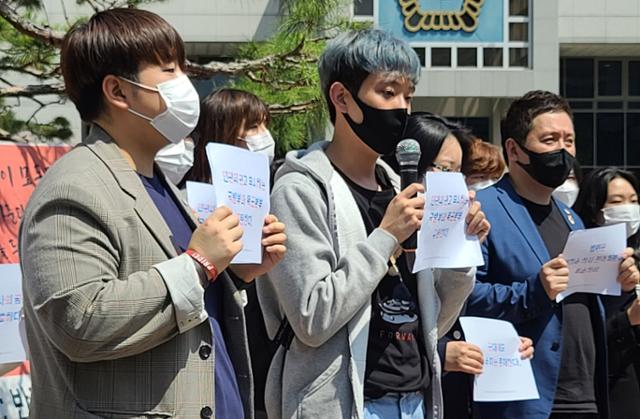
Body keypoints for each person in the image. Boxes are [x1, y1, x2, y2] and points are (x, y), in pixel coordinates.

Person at [18, 9, 286, 418]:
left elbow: (186, 293)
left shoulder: (160, 183)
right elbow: (80, 319)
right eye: (168, 69)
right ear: (118, 91)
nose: (185, 83)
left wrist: (234, 271)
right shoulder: (75, 186)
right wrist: (199, 264)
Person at [257, 28, 489, 419]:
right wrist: (386, 237)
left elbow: (435, 322)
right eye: (387, 92)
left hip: (414, 400)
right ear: (341, 97)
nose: (401, 108)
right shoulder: (300, 189)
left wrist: (461, 250)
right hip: (342, 403)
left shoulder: (399, 186)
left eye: (408, 96)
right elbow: (312, 318)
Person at [464, 90, 639, 419]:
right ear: (514, 150)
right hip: (527, 398)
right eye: (550, 139)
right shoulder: (483, 210)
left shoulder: (572, 218)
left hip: (587, 397)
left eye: (569, 140)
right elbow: (462, 298)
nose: (563, 150)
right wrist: (534, 290)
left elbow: (588, 304)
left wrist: (621, 287)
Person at [398, 113, 533, 419]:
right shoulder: (386, 229)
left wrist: (503, 342)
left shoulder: (458, 229)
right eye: (445, 170)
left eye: (460, 173)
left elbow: (456, 309)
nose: (455, 184)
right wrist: (442, 351)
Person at [182, 88, 277, 419]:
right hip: (214, 355)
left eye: (265, 124)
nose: (262, 136)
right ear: (221, 131)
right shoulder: (189, 202)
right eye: (252, 126)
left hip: (266, 355)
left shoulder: (274, 191)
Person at [573, 167, 640, 419]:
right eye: (616, 201)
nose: (629, 209)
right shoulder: (581, 262)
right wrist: (627, 319)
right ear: (595, 209)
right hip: (608, 391)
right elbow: (582, 335)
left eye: (634, 201)